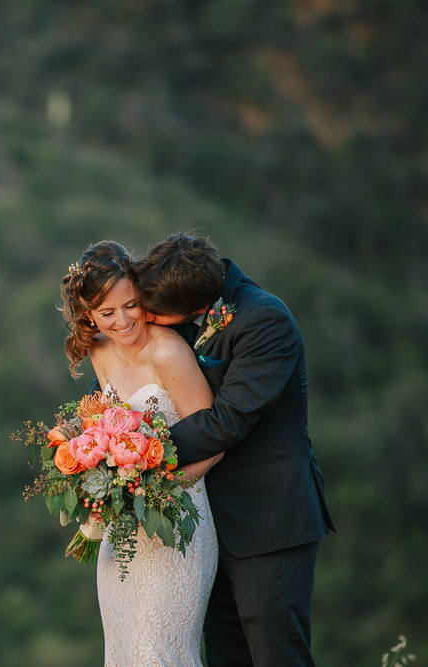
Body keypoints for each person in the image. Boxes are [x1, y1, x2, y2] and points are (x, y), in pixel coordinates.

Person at [131, 233, 335, 666]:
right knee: (226, 656)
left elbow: (229, 420)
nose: (145, 317)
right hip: (209, 525)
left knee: (278, 655)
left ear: (191, 306)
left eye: (154, 313)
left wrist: (133, 457)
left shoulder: (265, 320)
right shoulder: (180, 307)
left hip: (268, 520)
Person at [60, 240, 225, 666]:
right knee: (123, 653)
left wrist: (157, 492)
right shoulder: (99, 351)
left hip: (176, 522)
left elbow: (214, 440)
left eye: (130, 305)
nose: (122, 321)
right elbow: (107, 422)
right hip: (122, 533)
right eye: (107, 313)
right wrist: (79, 448)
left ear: (142, 295)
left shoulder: (168, 349)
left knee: (158, 652)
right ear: (89, 316)